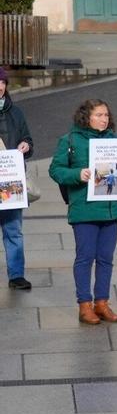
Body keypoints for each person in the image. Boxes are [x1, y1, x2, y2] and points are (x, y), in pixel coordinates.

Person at [49, 99, 117, 323]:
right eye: (99, 115)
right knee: (85, 258)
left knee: (106, 258)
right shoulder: (69, 140)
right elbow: (56, 170)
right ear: (86, 117)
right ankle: (84, 305)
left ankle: (102, 303)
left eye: (106, 115)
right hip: (84, 209)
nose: (104, 119)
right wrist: (78, 174)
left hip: (111, 208)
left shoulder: (114, 140)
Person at [0, 67, 30, 291]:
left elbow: (27, 138)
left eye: (2, 82)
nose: (0, 87)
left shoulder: (16, 112)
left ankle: (16, 275)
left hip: (10, 180)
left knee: (13, 230)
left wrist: (26, 145)